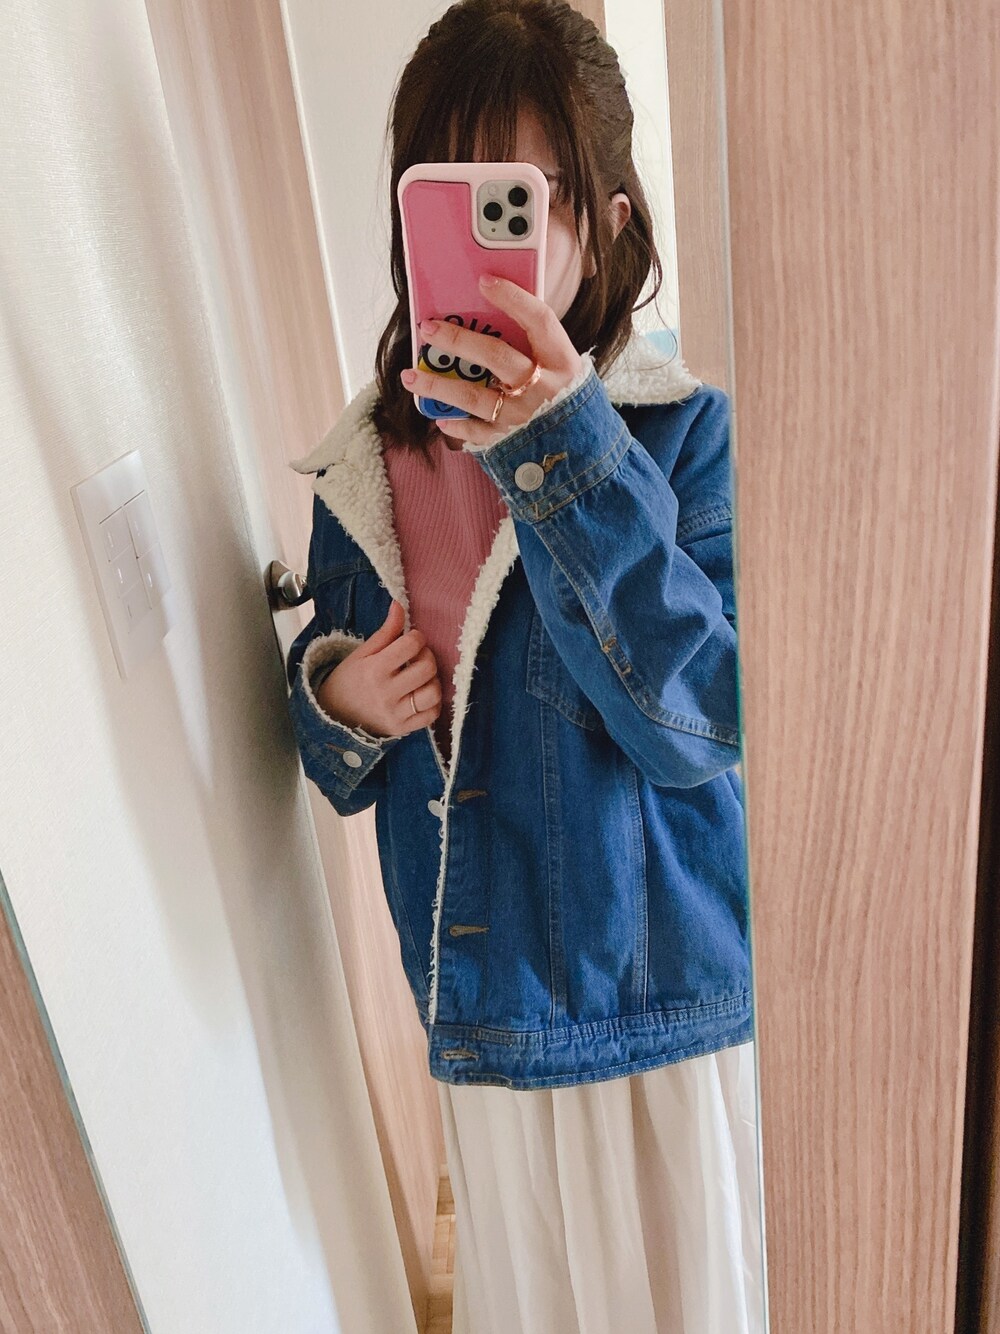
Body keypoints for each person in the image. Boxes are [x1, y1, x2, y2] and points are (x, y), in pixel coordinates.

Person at [285, 2, 765, 1330]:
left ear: (605, 220)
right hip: (487, 1018)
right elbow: (335, 737)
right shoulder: (365, 470)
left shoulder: (682, 439)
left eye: (521, 199)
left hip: (660, 1011)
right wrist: (337, 700)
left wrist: (562, 446)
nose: (489, 235)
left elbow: (700, 724)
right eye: (449, 194)